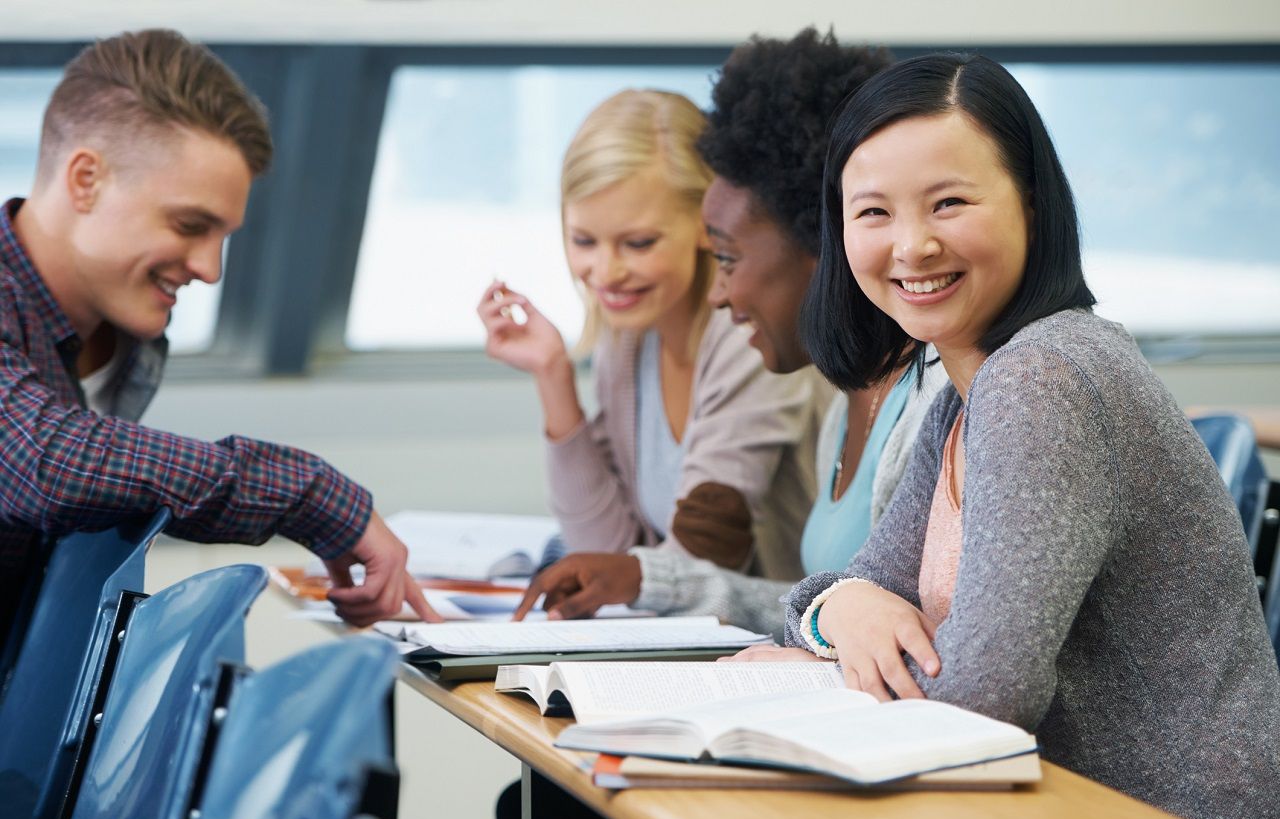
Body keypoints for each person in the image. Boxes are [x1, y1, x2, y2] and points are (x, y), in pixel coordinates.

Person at [771, 53, 1280, 819]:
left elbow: (980, 700)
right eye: (873, 213)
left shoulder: (1045, 379)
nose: (911, 247)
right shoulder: (963, 396)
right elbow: (847, 587)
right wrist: (835, 609)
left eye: (949, 203)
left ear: (1032, 208)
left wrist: (822, 642)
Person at [512, 31, 948, 638]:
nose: (607, 273)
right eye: (584, 240)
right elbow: (826, 611)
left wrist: (650, 581)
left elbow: (909, 633)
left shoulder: (932, 398)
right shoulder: (845, 403)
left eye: (726, 257)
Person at [0, 29, 438, 633]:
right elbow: (49, 465)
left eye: (223, 237)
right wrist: (310, 494)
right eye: (188, 224)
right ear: (85, 180)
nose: (209, 269)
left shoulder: (128, 344)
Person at [477, 89, 824, 600]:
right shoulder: (629, 335)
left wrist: (618, 577)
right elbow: (609, 553)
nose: (607, 274)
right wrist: (553, 375)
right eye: (584, 241)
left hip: (778, 642)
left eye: (638, 243)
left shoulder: (750, 341)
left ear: (708, 223)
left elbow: (693, 568)